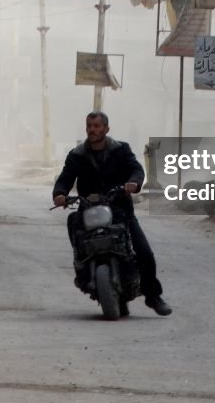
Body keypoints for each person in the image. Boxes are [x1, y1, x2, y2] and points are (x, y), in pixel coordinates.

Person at [52, 111, 172, 316]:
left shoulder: (121, 150)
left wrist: (133, 183)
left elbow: (136, 169)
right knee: (75, 227)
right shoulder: (77, 155)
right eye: (89, 126)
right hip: (89, 208)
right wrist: (60, 194)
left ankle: (153, 296)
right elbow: (65, 178)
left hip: (119, 210)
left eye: (97, 126)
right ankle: (82, 267)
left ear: (106, 129)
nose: (92, 130)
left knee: (144, 253)